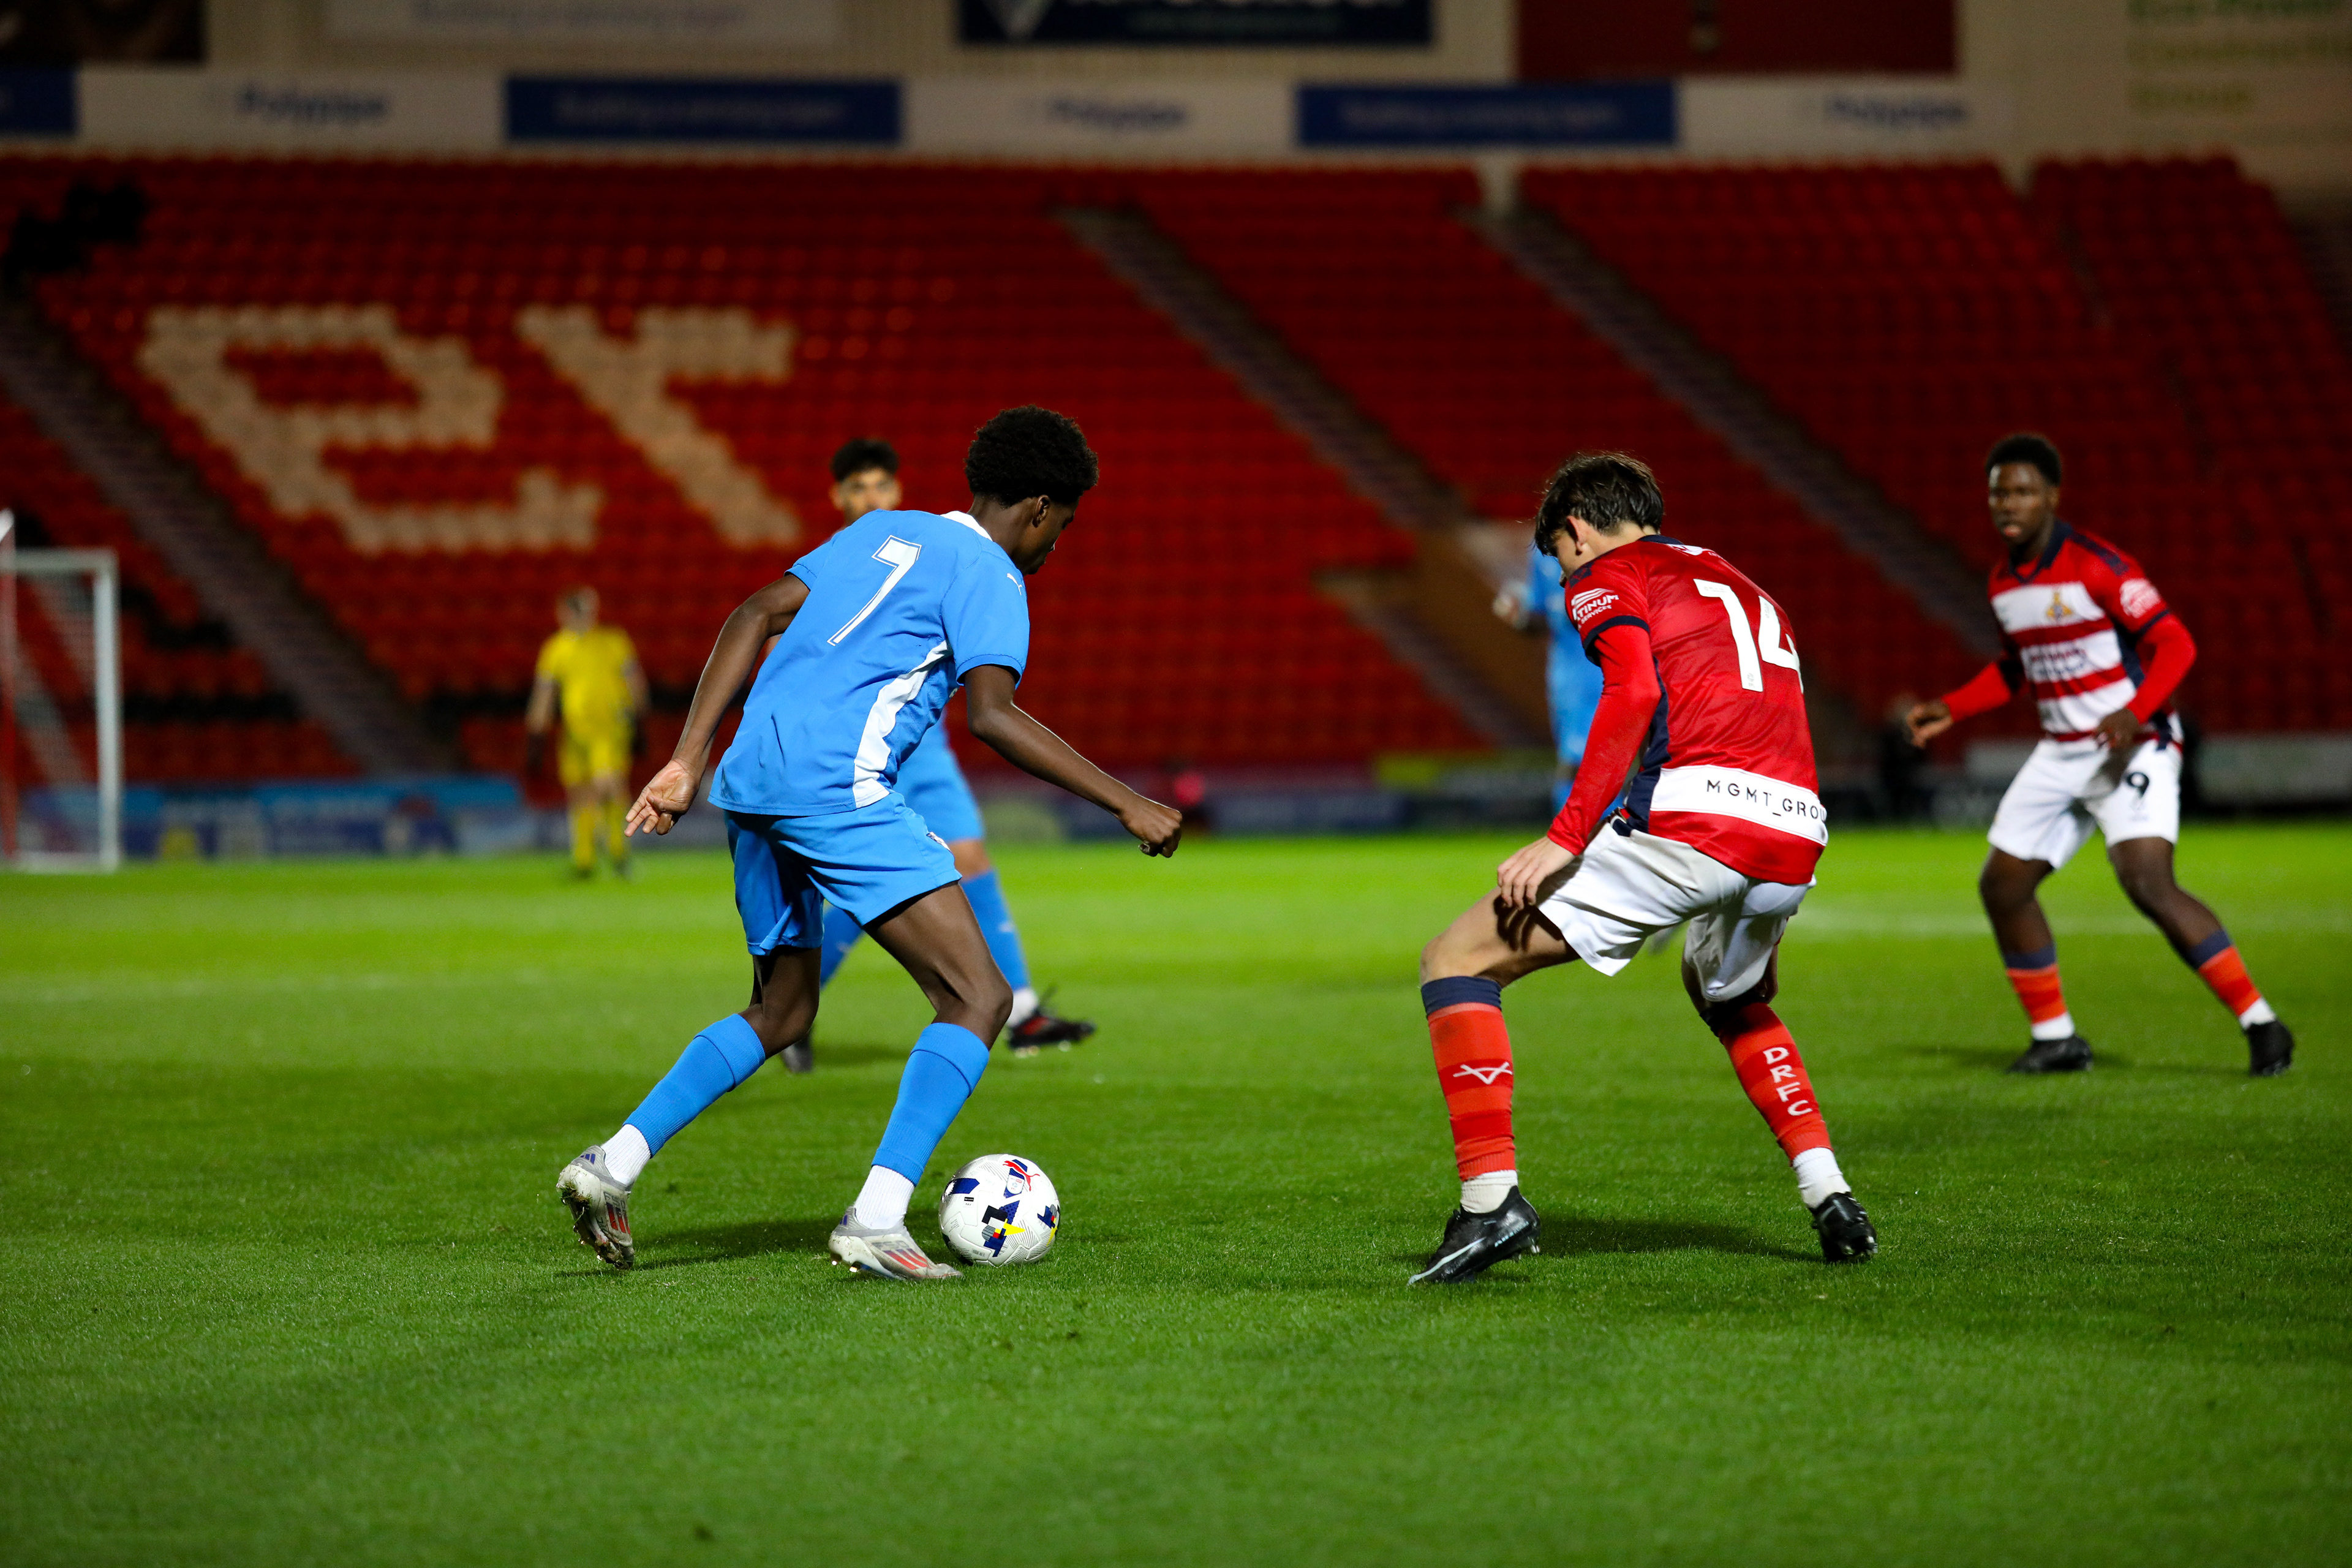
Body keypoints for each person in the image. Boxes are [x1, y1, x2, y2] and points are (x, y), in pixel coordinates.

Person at [556, 407, 1182, 1280]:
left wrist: (685, 761)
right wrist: (1128, 803)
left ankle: (610, 1165)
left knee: (783, 1011)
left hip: (748, 779)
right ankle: (878, 1219)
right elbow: (994, 717)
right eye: (1062, 527)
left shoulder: (881, 530)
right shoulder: (995, 574)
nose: (1054, 547)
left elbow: (754, 611)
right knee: (978, 997)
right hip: (832, 785)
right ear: (1038, 509)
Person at [1412, 452, 1875, 1284]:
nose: (1563, 579)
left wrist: (1565, 837)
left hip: (1698, 819)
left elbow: (1629, 696)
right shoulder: (1739, 580)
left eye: (1558, 559)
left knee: (1457, 958)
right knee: (1729, 995)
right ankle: (1829, 1191)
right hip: (1797, 830)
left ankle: (1490, 1204)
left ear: (1577, 532)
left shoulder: (1606, 573)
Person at [1906, 434, 2293, 1077]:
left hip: (2131, 743)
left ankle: (2263, 1024)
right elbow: (2014, 669)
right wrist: (1952, 706)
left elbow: (2176, 643)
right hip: (2062, 751)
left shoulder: (2099, 565)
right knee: (2003, 886)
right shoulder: (2003, 581)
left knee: (2147, 882)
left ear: (2052, 497)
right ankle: (2056, 1037)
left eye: (2024, 490)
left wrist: (2135, 712)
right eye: (2000, 490)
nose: (2009, 502)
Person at [805, 438, 1095, 1065]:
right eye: (858, 488)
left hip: (924, 743)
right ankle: (793, 1008)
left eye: (881, 486)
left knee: (970, 855)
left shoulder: (930, 545)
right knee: (877, 888)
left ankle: (1020, 1008)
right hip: (862, 743)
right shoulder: (845, 559)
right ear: (837, 498)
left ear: (897, 491)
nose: (871, 498)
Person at [526, 587, 646, 879]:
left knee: (607, 786)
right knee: (579, 794)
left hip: (609, 729)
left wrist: (641, 721)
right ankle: (584, 861)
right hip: (574, 733)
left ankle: (619, 854)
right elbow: (545, 694)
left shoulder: (613, 641)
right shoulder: (556, 648)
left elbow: (635, 682)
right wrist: (536, 737)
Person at [1496, 540, 1605, 809]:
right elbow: (1540, 614)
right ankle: (1571, 833)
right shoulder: (1543, 552)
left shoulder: (1608, 544)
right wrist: (1519, 614)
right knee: (1574, 758)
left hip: (1608, 667)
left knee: (1599, 758)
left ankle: (1593, 833)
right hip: (1568, 675)